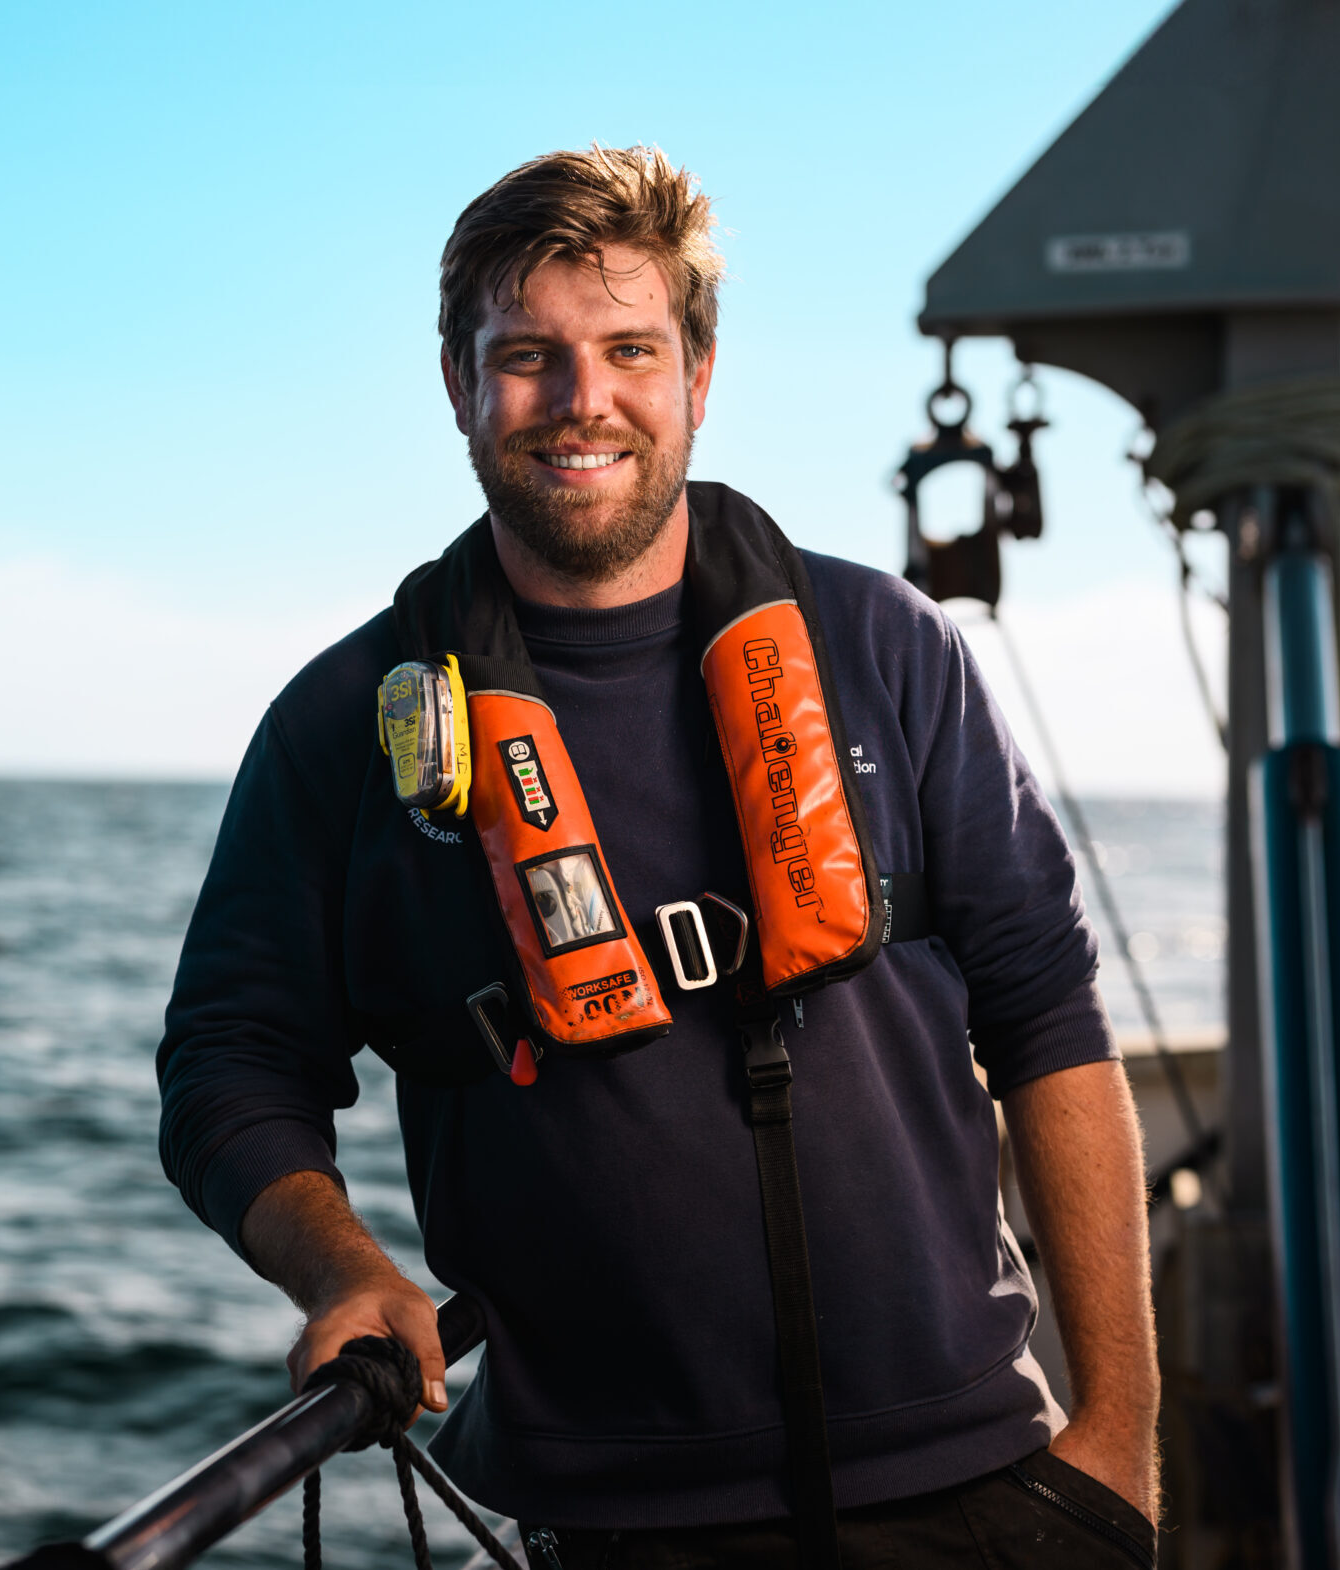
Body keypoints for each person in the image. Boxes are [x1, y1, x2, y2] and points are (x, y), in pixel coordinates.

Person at [158, 145, 1160, 1568]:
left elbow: (1050, 1015)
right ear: (458, 383)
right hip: (617, 1522)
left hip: (986, 1486)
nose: (584, 402)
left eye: (631, 347)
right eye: (528, 357)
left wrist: (1116, 1443)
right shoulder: (342, 729)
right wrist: (345, 1263)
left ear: (699, 371)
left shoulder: (889, 649)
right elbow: (225, 1063)